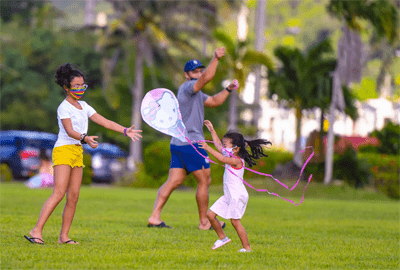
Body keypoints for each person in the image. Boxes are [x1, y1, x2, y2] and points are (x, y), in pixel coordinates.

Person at [24, 63, 142, 245]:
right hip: (63, 150)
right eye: (76, 86)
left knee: (74, 196)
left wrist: (125, 131)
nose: (80, 89)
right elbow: (69, 131)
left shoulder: (84, 106)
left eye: (82, 85)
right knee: (59, 193)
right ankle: (36, 230)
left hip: (77, 152)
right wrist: (85, 138)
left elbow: (104, 121)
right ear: (66, 87)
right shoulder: (64, 107)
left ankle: (64, 237)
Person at [147, 47, 238, 230]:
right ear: (187, 75)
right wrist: (216, 58)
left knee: (174, 181)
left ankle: (154, 217)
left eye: (199, 70)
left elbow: (214, 101)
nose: (198, 73)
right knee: (204, 181)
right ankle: (204, 222)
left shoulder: (194, 93)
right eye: (194, 71)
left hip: (178, 142)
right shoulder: (189, 87)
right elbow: (206, 79)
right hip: (192, 143)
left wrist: (228, 89)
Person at [199, 120, 272, 252]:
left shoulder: (236, 160)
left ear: (236, 148)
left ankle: (247, 248)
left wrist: (207, 148)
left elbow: (221, 158)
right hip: (228, 195)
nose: (223, 147)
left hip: (237, 195)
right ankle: (222, 238)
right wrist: (212, 130)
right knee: (210, 215)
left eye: (226, 145)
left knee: (235, 222)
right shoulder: (230, 153)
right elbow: (219, 147)